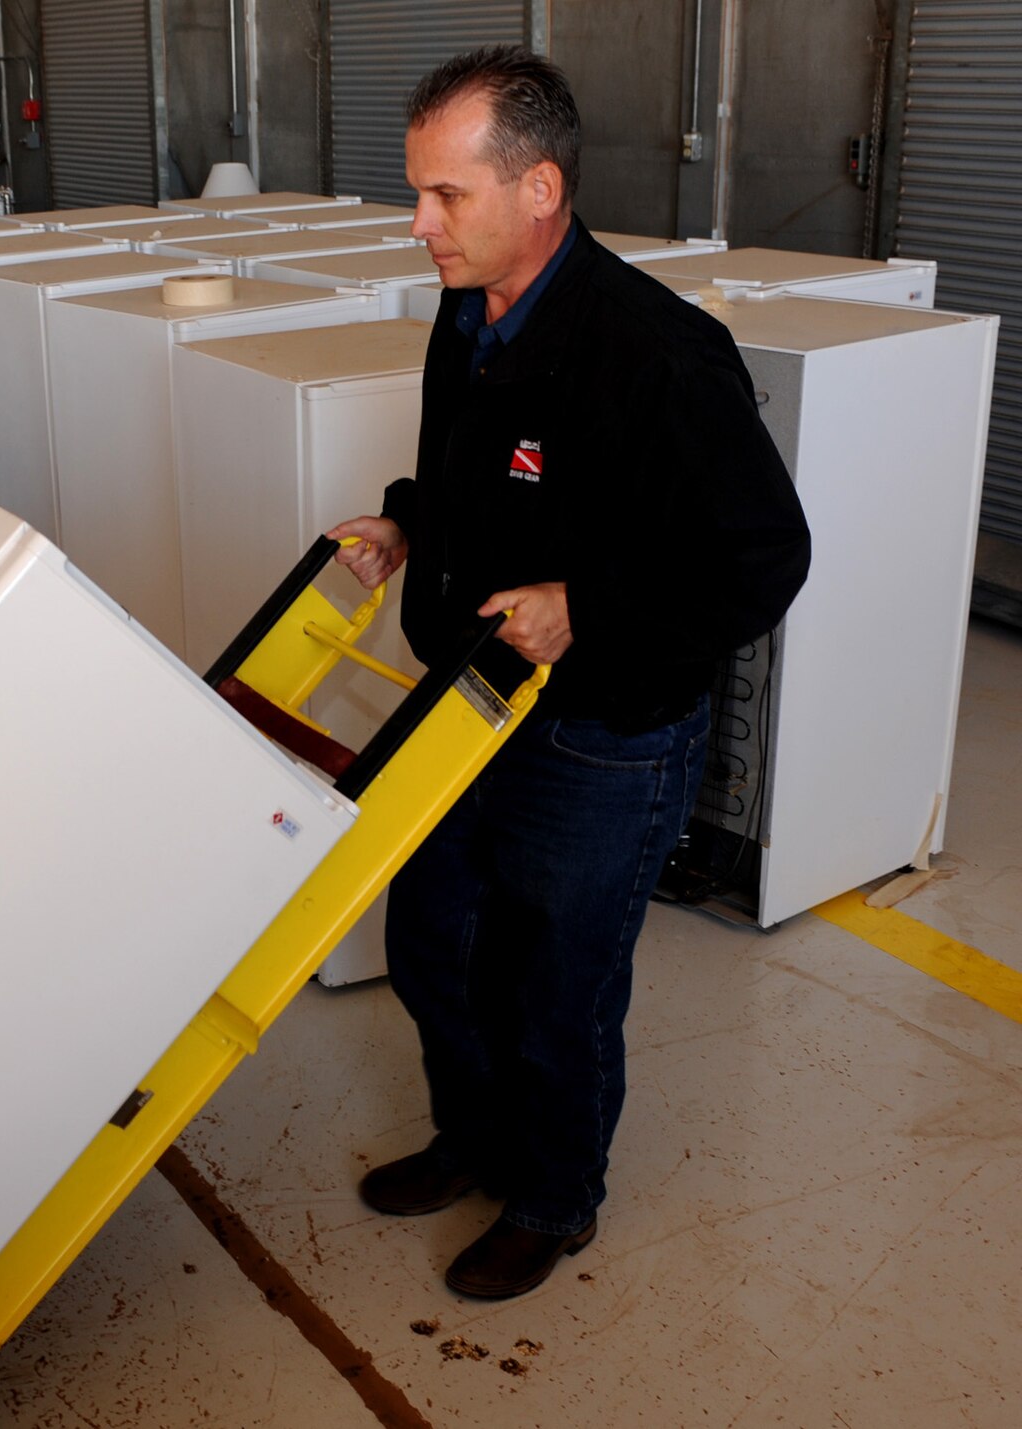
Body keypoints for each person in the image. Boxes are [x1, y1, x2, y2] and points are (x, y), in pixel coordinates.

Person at [329, 46, 811, 1300]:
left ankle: (551, 1198)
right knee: (435, 942)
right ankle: (472, 1139)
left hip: (597, 735)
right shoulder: (467, 305)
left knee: (553, 987)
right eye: (415, 192)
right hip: (464, 705)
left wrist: (584, 610)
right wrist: (407, 523)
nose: (418, 224)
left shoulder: (660, 354)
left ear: (537, 188)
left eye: (446, 195)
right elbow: (471, 473)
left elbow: (759, 560)